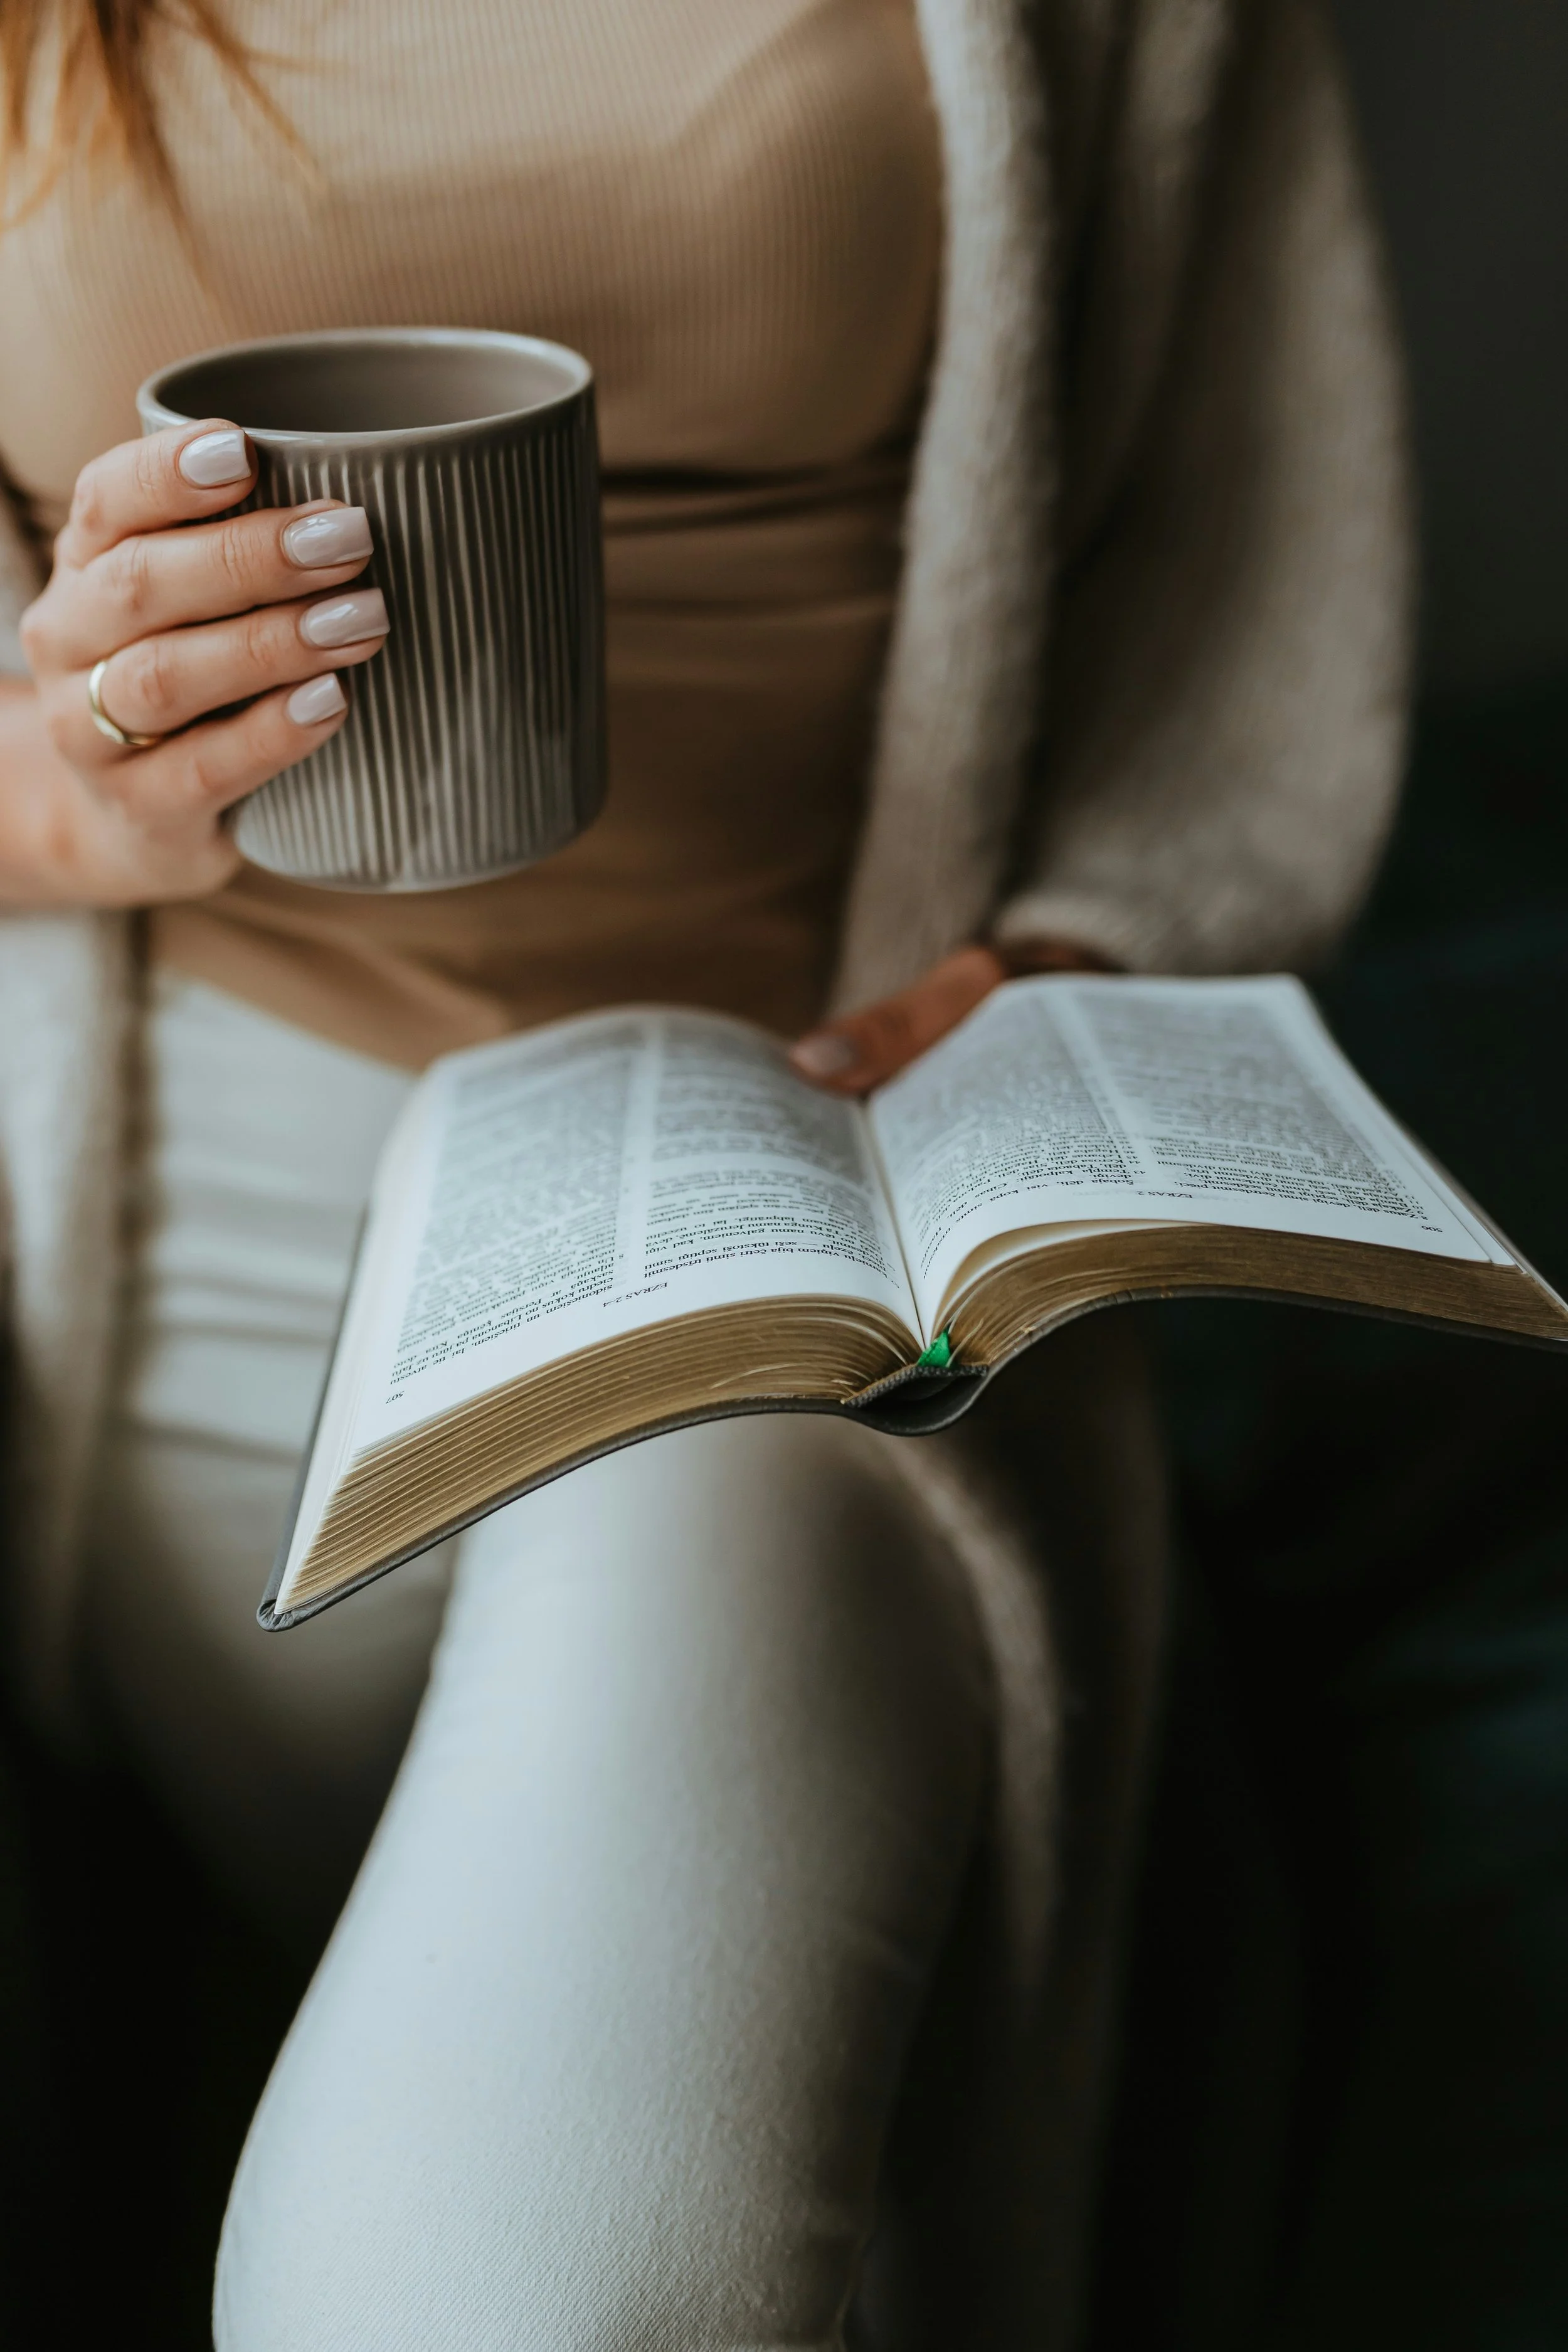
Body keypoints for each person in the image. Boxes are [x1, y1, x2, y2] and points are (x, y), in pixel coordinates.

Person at [0, 0, 1409, 2342]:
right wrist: (38, 800)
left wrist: (1073, 948)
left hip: (786, 1215)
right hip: (116, 1284)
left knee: (495, 2282)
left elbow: (1241, 557)